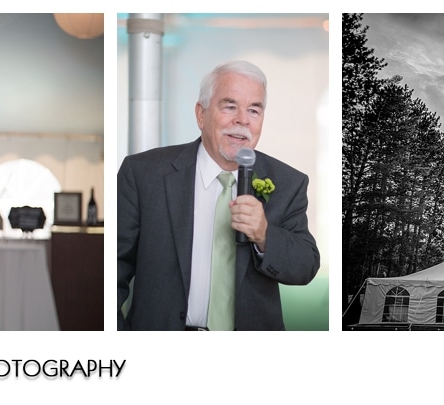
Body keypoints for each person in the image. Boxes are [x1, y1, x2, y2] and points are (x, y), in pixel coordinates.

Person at [117, 60, 319, 331]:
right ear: (201, 114)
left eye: (254, 110)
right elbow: (111, 268)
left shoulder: (288, 182)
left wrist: (264, 235)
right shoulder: (142, 173)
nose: (243, 120)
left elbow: (306, 266)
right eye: (230, 106)